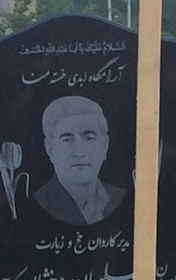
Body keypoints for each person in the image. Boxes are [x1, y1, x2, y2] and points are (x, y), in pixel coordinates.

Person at [31, 95, 127, 225]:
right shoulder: (37, 203)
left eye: (89, 138)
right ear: (50, 149)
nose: (79, 152)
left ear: (105, 146)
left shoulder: (122, 199)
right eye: (67, 140)